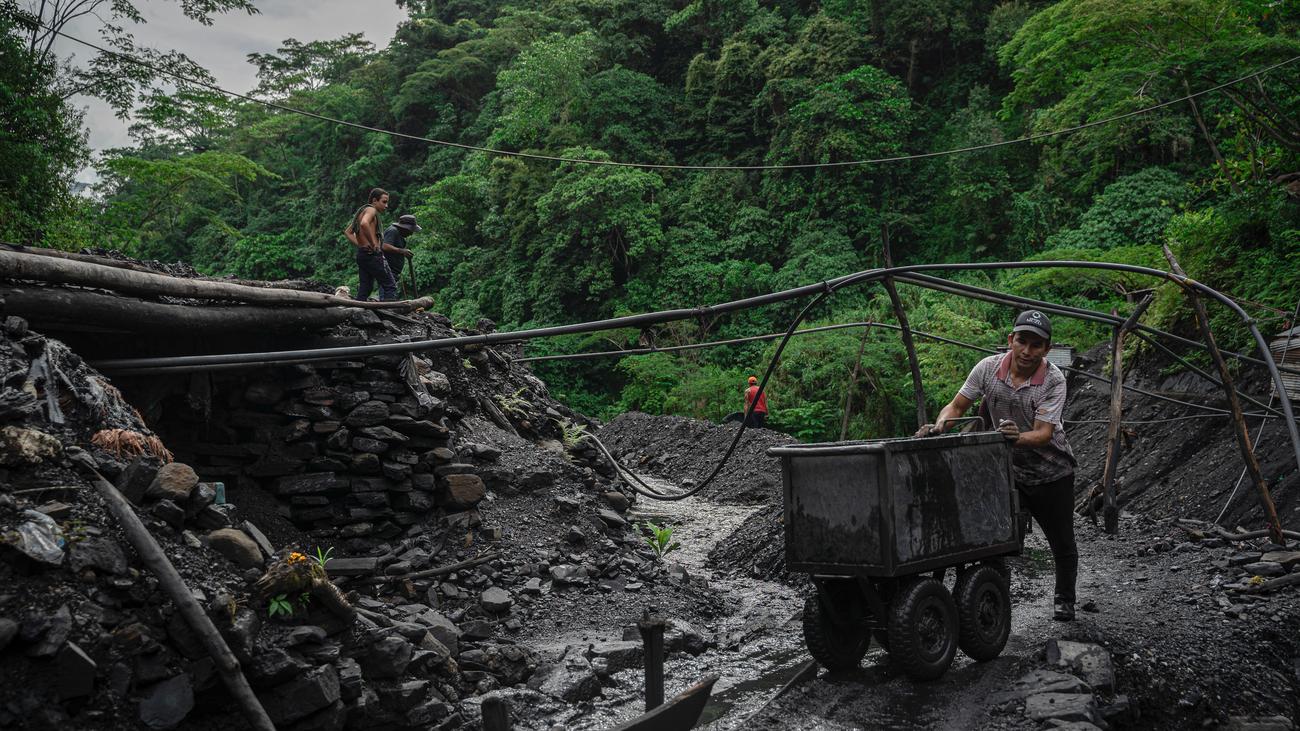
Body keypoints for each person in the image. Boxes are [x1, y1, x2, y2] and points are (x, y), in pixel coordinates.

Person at [915, 310, 1079, 620]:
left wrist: (1016, 438)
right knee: (997, 535)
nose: (1027, 351)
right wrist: (939, 426)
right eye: (1022, 342)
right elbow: (957, 405)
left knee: (1061, 540)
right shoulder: (988, 369)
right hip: (1007, 471)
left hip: (1051, 472)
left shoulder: (1054, 380)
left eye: (1036, 345)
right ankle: (993, 595)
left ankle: (1064, 598)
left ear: (1046, 348)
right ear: (1010, 341)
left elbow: (1045, 433)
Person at [348, 188, 397, 302]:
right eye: (384, 202)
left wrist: (361, 244)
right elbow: (364, 223)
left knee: (366, 288)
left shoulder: (362, 211)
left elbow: (348, 232)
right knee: (390, 286)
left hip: (363, 254)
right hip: (372, 255)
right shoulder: (371, 210)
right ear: (374, 200)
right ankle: (390, 315)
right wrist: (373, 243)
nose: (386, 206)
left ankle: (357, 312)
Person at [381, 213, 421, 284]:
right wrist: (402, 251)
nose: (411, 233)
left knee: (390, 292)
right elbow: (385, 246)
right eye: (410, 230)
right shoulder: (393, 231)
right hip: (387, 270)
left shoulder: (400, 235)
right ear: (404, 227)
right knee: (388, 292)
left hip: (393, 272)